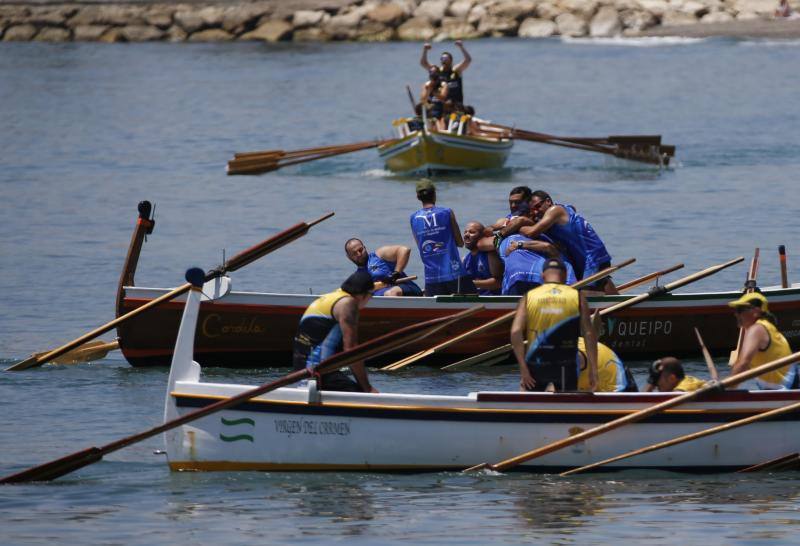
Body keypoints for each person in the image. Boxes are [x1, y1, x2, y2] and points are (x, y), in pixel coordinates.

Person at [510, 258, 597, 392]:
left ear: (543, 276)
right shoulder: (577, 296)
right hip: (565, 366)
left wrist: (523, 368)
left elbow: (515, 331)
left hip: (537, 364)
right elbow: (589, 333)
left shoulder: (529, 296)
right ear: (565, 275)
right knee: (566, 404)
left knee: (529, 403)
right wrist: (593, 369)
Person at [516, 190, 617, 294]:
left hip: (593, 258)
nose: (536, 212)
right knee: (601, 281)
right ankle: (620, 302)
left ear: (548, 201)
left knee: (585, 295)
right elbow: (572, 207)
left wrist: (520, 227)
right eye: (533, 210)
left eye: (538, 206)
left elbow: (532, 232)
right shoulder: (564, 208)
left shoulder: (554, 210)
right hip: (589, 256)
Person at [292, 271, 378, 393]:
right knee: (366, 397)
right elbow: (351, 351)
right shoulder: (348, 304)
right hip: (318, 372)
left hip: (301, 369)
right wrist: (367, 388)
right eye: (372, 295)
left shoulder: (332, 297)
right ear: (363, 294)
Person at [410, 180, 476, 296]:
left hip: (431, 278)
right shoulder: (446, 212)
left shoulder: (413, 218)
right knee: (473, 301)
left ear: (418, 197)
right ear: (434, 194)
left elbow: (421, 247)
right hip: (454, 274)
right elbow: (460, 242)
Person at [728, 292, 796, 389]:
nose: (736, 314)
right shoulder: (767, 328)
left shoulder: (757, 329)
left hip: (786, 390)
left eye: (740, 310)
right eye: (736, 310)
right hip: (783, 389)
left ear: (756, 311)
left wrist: (726, 390)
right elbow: (744, 367)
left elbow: (743, 364)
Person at [499, 233, 576, 295]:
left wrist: (518, 244)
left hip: (517, 279)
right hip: (525, 280)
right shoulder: (564, 263)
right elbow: (547, 246)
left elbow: (547, 246)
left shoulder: (565, 263)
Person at [344, 238, 422, 297]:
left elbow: (404, 250)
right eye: (354, 253)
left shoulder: (379, 255)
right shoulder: (357, 277)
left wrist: (396, 274)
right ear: (349, 257)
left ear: (365, 248)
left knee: (391, 293)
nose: (359, 254)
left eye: (360, 250)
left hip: (405, 288)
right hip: (380, 297)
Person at [420, 40, 471, 108]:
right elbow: (423, 63)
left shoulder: (456, 71)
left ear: (451, 60)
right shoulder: (437, 71)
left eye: (445, 58)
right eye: (442, 58)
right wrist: (425, 50)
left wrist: (461, 47)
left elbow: (468, 60)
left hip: (456, 106)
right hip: (440, 106)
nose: (443, 60)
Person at [462, 221, 503, 295]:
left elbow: (498, 282)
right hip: (474, 299)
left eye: (472, 232)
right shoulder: (465, 259)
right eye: (465, 232)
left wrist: (472, 284)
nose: (466, 235)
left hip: (491, 299)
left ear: (482, 236)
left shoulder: (490, 253)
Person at [420, 65, 448, 131]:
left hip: (440, 111)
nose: (433, 74)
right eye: (431, 72)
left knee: (440, 122)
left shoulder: (443, 84)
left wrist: (434, 91)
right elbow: (423, 99)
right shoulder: (427, 84)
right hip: (430, 111)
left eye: (434, 72)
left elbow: (443, 97)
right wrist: (429, 89)